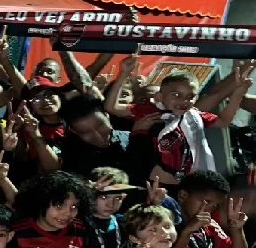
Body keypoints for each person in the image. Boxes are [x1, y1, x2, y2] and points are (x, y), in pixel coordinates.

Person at [107, 59, 252, 187]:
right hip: (151, 183)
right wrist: (123, 73)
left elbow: (223, 121)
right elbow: (111, 107)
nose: (184, 101)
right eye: (176, 95)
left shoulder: (194, 116)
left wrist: (238, 93)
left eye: (190, 96)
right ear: (160, 96)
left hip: (184, 185)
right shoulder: (149, 111)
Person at [11, 171, 99, 248]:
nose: (68, 213)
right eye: (59, 206)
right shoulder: (17, 231)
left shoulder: (80, 227)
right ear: (41, 203)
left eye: (74, 207)